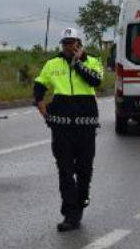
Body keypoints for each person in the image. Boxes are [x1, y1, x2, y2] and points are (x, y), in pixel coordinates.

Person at [34, 28, 103, 232]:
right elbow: (38, 89)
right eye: (65, 43)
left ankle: (81, 201)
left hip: (86, 126)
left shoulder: (92, 61)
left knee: (84, 170)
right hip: (62, 127)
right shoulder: (52, 64)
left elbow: (96, 81)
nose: (69, 46)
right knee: (65, 171)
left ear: (79, 44)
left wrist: (78, 63)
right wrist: (45, 113)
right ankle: (70, 214)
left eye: (73, 42)